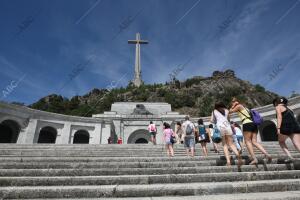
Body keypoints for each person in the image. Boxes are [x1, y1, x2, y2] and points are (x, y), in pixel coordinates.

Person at [230, 97, 272, 165]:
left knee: (247, 142)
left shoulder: (238, 106)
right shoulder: (246, 108)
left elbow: (230, 111)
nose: (232, 102)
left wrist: (233, 105)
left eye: (233, 101)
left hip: (246, 124)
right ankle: (267, 154)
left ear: (236, 101)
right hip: (253, 124)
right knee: (254, 142)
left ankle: (254, 158)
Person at [211, 102, 242, 166]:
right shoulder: (227, 110)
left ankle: (228, 161)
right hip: (228, 127)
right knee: (231, 144)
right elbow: (228, 120)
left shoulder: (214, 111)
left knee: (224, 145)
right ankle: (237, 154)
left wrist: (216, 120)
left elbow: (212, 120)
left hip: (220, 128)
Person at [273, 97, 300, 161]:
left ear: (277, 102)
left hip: (285, 126)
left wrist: (278, 128)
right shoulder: (290, 108)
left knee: (281, 142)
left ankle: (289, 156)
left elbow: (279, 117)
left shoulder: (278, 107)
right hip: (295, 126)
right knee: (297, 144)